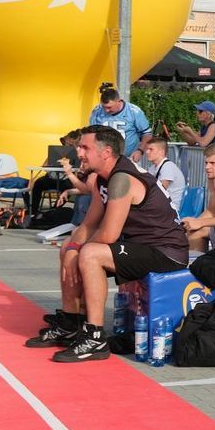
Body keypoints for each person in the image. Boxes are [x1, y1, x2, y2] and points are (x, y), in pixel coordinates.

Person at [23, 125, 189, 362]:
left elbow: (109, 235)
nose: (78, 153)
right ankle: (71, 323)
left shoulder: (122, 179)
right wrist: (71, 248)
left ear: (106, 152)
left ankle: (95, 338)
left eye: (85, 148)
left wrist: (79, 251)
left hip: (167, 252)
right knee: (70, 247)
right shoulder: (104, 177)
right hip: (143, 246)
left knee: (90, 253)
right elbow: (89, 225)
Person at [88, 85, 152, 162]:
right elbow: (91, 134)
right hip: (105, 159)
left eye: (109, 107)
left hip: (129, 158)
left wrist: (140, 151)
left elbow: (147, 133)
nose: (106, 110)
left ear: (118, 101)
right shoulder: (97, 111)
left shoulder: (134, 111)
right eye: (104, 107)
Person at [142, 137, 186, 216]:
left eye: (151, 149)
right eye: (146, 149)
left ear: (161, 152)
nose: (147, 152)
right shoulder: (152, 168)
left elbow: (160, 191)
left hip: (170, 209)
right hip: (160, 206)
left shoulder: (168, 167)